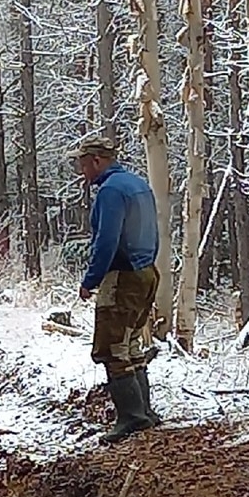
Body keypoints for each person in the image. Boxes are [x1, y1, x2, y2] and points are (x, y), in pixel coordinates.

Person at [71, 134, 161, 443]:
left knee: (112, 348)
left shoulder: (109, 191)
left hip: (122, 275)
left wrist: (90, 280)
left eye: (84, 164)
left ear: (96, 161)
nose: (83, 172)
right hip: (147, 272)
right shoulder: (138, 184)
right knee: (132, 343)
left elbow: (106, 241)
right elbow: (154, 230)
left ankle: (132, 418)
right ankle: (145, 413)